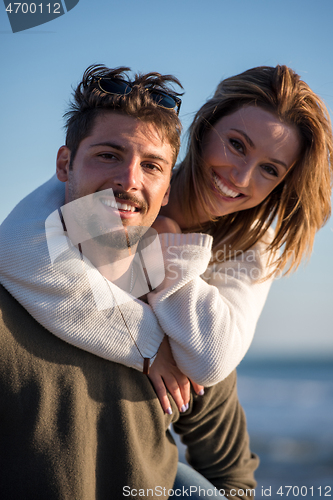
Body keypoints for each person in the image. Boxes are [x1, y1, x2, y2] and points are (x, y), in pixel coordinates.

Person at [1, 65, 332, 415]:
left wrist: (165, 255)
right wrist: (150, 346)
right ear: (205, 129)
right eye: (236, 145)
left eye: (270, 169)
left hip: (184, 434)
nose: (241, 176)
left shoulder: (251, 243)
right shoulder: (133, 181)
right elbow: (17, 247)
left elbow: (211, 360)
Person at [0, 65, 258, 499]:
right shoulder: (7, 309)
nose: (129, 181)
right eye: (108, 155)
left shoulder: (188, 327)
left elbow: (233, 476)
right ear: (65, 164)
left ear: (168, 188)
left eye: (152, 166)